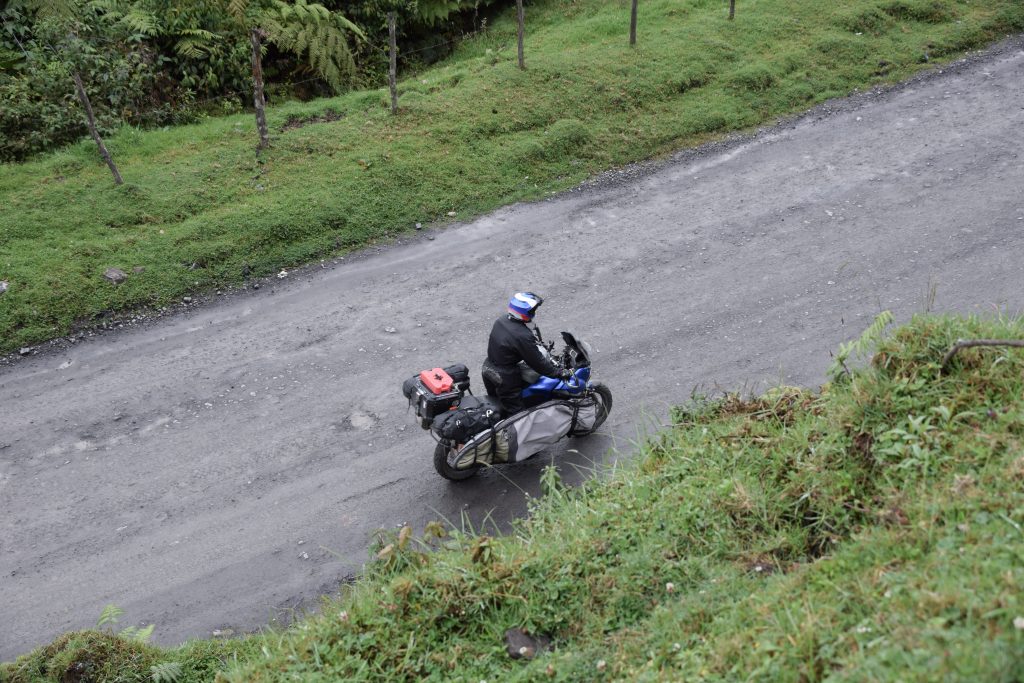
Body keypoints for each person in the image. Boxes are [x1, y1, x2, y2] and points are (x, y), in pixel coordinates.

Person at [481, 291, 572, 416]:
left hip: (488, 368)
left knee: (498, 405)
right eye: (532, 311)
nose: (534, 313)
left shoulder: (501, 320)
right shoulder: (522, 336)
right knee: (518, 417)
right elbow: (537, 362)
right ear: (525, 313)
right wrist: (558, 373)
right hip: (504, 378)